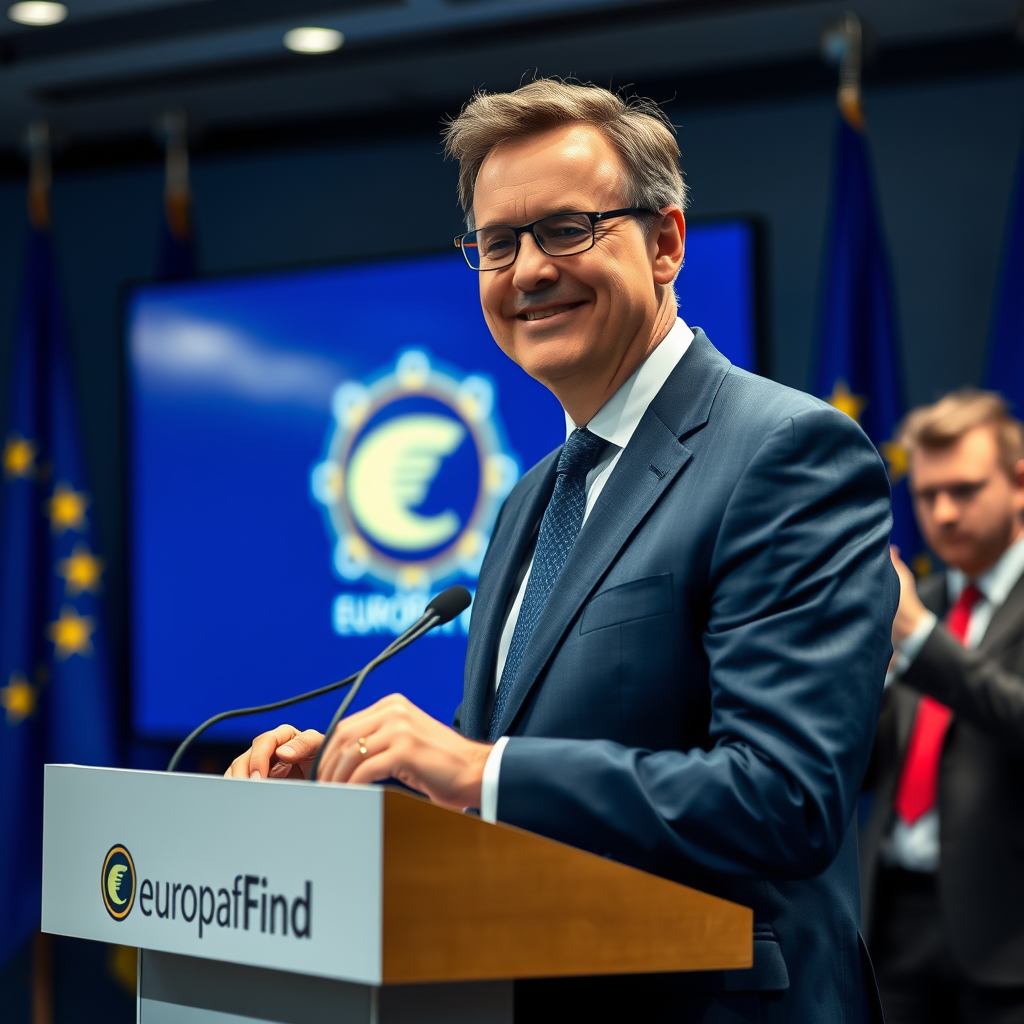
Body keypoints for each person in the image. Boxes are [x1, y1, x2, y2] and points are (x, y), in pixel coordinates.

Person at [227, 79, 897, 1023]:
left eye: (569, 229)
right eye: (497, 243)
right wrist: (367, 792)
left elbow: (785, 798)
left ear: (665, 242)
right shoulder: (531, 500)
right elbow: (511, 809)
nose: (528, 270)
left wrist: (477, 767)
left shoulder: (788, 452)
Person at [861, 390, 1024, 1024]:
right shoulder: (913, 603)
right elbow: (868, 767)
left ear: (1017, 483)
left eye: (964, 489)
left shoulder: (915, 618)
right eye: (927, 496)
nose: (944, 513)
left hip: (1008, 934)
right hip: (894, 921)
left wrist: (922, 638)